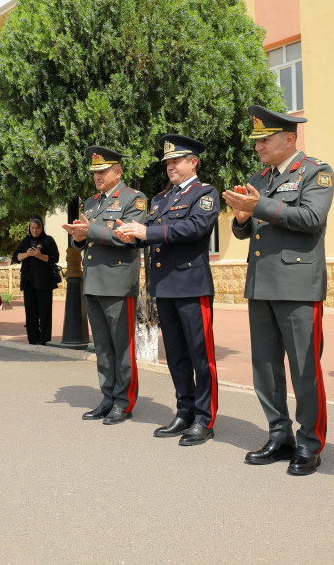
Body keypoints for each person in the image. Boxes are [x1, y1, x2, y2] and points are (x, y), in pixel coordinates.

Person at [223, 106, 333, 476]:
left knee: (304, 368)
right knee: (266, 368)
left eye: (265, 140)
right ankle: (279, 434)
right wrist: (241, 219)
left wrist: (260, 207)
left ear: (289, 139)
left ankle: (310, 443)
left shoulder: (315, 172)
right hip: (261, 284)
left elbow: (311, 219)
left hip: (297, 285)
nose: (259, 147)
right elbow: (249, 230)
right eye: (257, 141)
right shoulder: (260, 178)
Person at [115, 135, 219, 445]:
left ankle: (205, 418)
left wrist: (147, 231)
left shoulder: (205, 193)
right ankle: (184, 411)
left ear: (193, 163)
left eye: (176, 161)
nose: (170, 166)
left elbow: (195, 228)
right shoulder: (160, 199)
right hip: (165, 287)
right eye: (168, 163)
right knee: (175, 355)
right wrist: (130, 235)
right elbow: (151, 235)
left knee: (201, 357)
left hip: (191, 285)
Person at [61, 146, 147, 425]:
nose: (97, 176)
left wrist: (91, 232)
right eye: (95, 172)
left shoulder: (134, 199)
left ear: (118, 172)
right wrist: (78, 237)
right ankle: (108, 397)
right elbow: (84, 242)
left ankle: (124, 401)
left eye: (103, 171)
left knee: (121, 347)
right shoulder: (91, 203)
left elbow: (128, 236)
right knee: (102, 347)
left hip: (119, 282)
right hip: (94, 281)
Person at [11, 216, 60, 346]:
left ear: (42, 228)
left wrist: (39, 255)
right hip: (28, 282)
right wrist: (27, 254)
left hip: (44, 282)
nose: (34, 230)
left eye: (37, 228)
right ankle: (33, 339)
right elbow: (15, 257)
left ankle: (43, 339)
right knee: (31, 312)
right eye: (32, 227)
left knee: (44, 312)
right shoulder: (26, 241)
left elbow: (54, 258)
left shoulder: (48, 240)